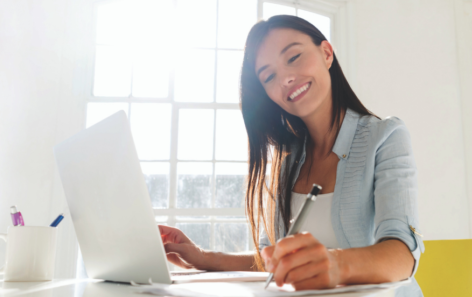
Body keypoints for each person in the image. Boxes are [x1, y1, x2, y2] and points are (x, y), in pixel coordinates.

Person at [158, 15, 424, 296]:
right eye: (269, 76)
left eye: (294, 57)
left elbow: (402, 253)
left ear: (326, 53)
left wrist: (335, 264)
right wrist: (203, 257)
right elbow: (272, 264)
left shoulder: (386, 136)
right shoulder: (285, 163)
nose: (285, 78)